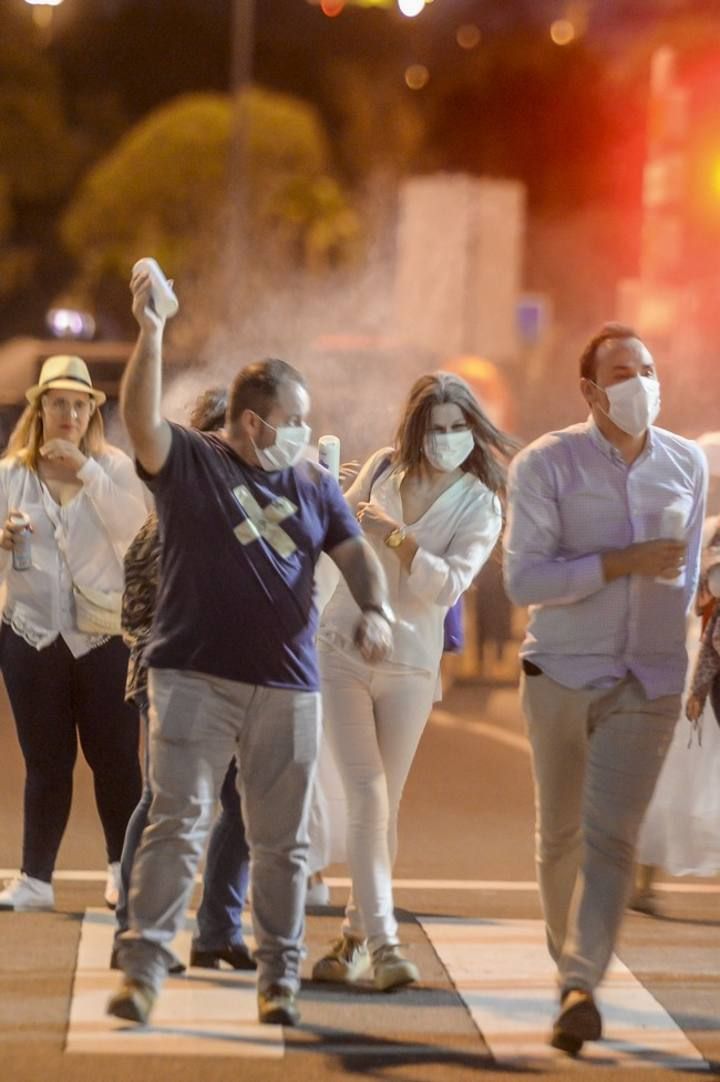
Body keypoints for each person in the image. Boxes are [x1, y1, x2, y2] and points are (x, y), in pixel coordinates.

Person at [107, 264, 394, 1029]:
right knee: (178, 820)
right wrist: (153, 330)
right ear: (254, 419)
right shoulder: (194, 462)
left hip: (287, 684)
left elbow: (354, 548)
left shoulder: (309, 482)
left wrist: (376, 608)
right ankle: (140, 968)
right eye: (294, 419)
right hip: (192, 675)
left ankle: (279, 977)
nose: (302, 432)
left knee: (281, 842)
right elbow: (141, 422)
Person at [503, 323, 706, 1056]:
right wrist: (618, 563)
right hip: (561, 672)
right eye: (623, 372)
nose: (641, 383)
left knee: (611, 837)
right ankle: (572, 967)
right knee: (560, 835)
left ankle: (581, 981)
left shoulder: (685, 462)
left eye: (649, 368)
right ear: (589, 389)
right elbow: (524, 580)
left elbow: (683, 575)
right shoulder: (545, 465)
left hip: (648, 678)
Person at [312, 372, 513, 991]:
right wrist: (339, 502)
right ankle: (385, 943)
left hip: (409, 664)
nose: (446, 439)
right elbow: (332, 544)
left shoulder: (482, 503)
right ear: (416, 426)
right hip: (343, 645)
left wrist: (396, 536)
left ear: (472, 432)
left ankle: (351, 939)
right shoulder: (381, 469)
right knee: (369, 793)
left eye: (458, 428)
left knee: (383, 804)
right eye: (436, 427)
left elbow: (446, 586)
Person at [113, 387, 254, 974]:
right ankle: (134, 932)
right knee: (164, 801)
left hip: (240, 682)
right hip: (173, 680)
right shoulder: (171, 514)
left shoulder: (250, 510)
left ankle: (218, 929)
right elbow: (137, 614)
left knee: (242, 803)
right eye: (221, 434)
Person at [0, 354, 148, 912]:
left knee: (115, 759)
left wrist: (84, 470)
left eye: (78, 404)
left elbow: (136, 532)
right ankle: (36, 878)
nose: (68, 412)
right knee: (45, 762)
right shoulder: (11, 473)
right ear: (39, 409)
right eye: (57, 402)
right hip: (31, 635)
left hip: (103, 638)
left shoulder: (113, 468)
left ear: (91, 412)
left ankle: (122, 871)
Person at [632, 504, 720, 909]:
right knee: (674, 775)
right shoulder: (706, 535)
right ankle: (642, 881)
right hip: (699, 665)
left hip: (696, 663)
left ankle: (643, 882)